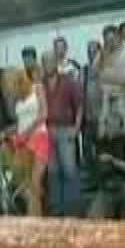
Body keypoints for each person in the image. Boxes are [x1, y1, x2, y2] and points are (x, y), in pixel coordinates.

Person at [42, 51, 82, 217]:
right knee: (53, 171)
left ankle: (72, 208)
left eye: (50, 61)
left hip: (66, 130)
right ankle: (56, 208)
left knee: (69, 169)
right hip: (47, 130)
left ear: (55, 63)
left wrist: (76, 128)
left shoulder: (68, 81)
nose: (48, 65)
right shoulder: (40, 84)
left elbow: (79, 105)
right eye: (45, 62)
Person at [7, 63, 48, 216]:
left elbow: (43, 114)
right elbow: (21, 121)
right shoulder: (18, 97)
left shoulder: (38, 88)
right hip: (23, 141)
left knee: (35, 182)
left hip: (38, 137)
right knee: (25, 184)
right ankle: (33, 217)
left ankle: (36, 219)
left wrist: (27, 133)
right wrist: (10, 132)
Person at [81, 41, 102, 168]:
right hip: (88, 117)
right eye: (89, 52)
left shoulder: (105, 68)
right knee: (87, 149)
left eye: (94, 51)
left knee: (104, 150)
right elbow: (80, 93)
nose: (92, 54)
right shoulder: (84, 70)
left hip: (103, 117)